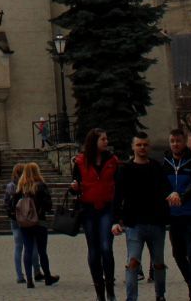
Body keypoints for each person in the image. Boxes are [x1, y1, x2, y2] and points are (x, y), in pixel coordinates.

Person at [112, 132, 172, 301]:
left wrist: (171, 196)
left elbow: (166, 189)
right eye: (139, 145)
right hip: (134, 224)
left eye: (145, 144)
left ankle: (160, 295)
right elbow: (118, 196)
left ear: (149, 146)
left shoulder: (156, 167)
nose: (142, 148)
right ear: (133, 147)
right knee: (133, 262)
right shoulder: (125, 169)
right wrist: (115, 221)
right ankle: (131, 298)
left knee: (159, 263)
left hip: (156, 222)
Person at [73, 128, 120, 301]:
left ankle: (110, 289)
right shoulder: (80, 161)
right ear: (94, 141)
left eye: (106, 139)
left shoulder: (112, 160)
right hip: (88, 209)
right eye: (103, 139)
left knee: (106, 248)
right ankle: (99, 292)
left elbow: (119, 184)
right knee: (94, 250)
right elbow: (75, 185)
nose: (106, 142)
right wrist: (74, 187)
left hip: (107, 208)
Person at [163, 127, 191, 301]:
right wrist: (169, 195)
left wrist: (182, 197)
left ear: (184, 141)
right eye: (172, 141)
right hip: (174, 215)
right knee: (177, 253)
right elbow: (162, 184)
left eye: (178, 141)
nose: (175, 144)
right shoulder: (165, 161)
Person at [13, 162, 60, 288]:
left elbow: (13, 205)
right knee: (42, 251)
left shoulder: (20, 187)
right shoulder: (40, 185)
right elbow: (48, 205)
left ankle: (29, 279)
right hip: (39, 222)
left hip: (25, 224)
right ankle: (47, 277)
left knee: (27, 249)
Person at [3, 162, 41, 285]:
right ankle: (36, 271)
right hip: (28, 219)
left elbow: (6, 204)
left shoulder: (10, 186)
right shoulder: (26, 184)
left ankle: (20, 275)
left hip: (15, 220)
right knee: (32, 245)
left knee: (18, 247)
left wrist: (13, 215)